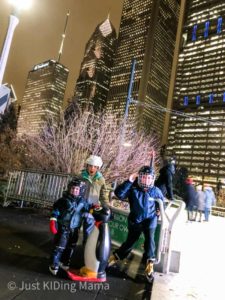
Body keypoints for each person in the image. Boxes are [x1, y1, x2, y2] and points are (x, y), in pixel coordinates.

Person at [108, 161, 164, 278]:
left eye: (149, 178)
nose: (146, 181)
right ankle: (117, 256)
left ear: (152, 179)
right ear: (139, 178)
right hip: (135, 219)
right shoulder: (134, 188)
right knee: (131, 241)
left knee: (149, 240)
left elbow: (161, 203)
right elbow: (119, 194)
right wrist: (129, 181)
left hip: (150, 219)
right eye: (143, 178)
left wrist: (159, 211)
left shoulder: (156, 191)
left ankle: (149, 262)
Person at [49, 177, 90, 275]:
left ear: (80, 191)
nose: (74, 190)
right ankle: (54, 264)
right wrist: (53, 219)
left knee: (70, 247)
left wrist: (95, 209)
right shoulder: (63, 200)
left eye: (76, 189)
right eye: (72, 188)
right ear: (69, 188)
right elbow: (56, 210)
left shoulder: (83, 202)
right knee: (59, 246)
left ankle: (64, 262)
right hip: (64, 227)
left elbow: (88, 209)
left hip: (75, 228)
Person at [81, 155, 109, 244]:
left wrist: (106, 206)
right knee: (73, 227)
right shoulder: (81, 176)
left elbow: (103, 194)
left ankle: (86, 249)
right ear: (87, 166)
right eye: (90, 165)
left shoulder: (100, 179)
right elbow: (72, 188)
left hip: (92, 208)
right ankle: (69, 248)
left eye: (95, 166)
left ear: (98, 168)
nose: (92, 168)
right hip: (79, 205)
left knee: (88, 230)